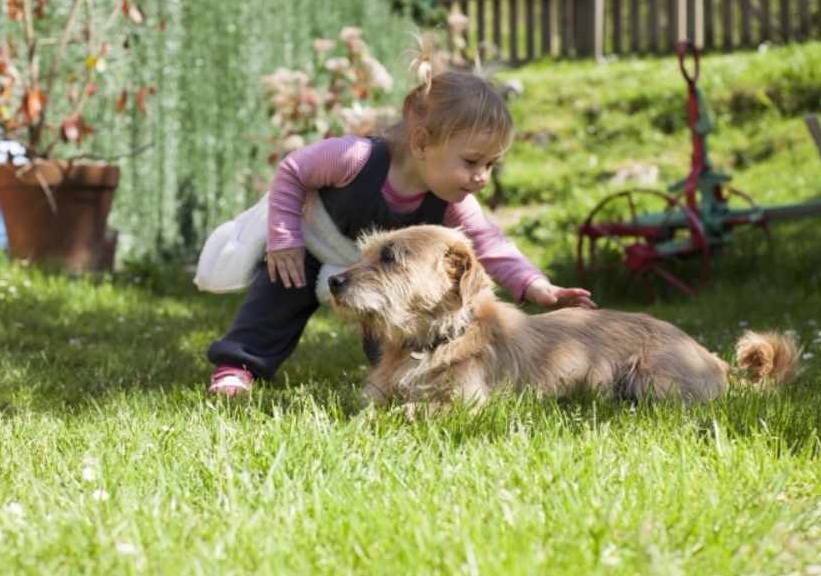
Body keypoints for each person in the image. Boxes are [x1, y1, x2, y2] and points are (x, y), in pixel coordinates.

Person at [206, 38, 596, 396]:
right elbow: (292, 171)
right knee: (277, 294)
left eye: (491, 164)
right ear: (423, 142)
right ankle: (237, 365)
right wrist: (284, 239)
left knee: (403, 319)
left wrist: (538, 287)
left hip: (381, 275)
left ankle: (396, 382)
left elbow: (490, 245)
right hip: (313, 245)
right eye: (472, 161)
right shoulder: (354, 158)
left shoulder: (454, 201)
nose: (482, 177)